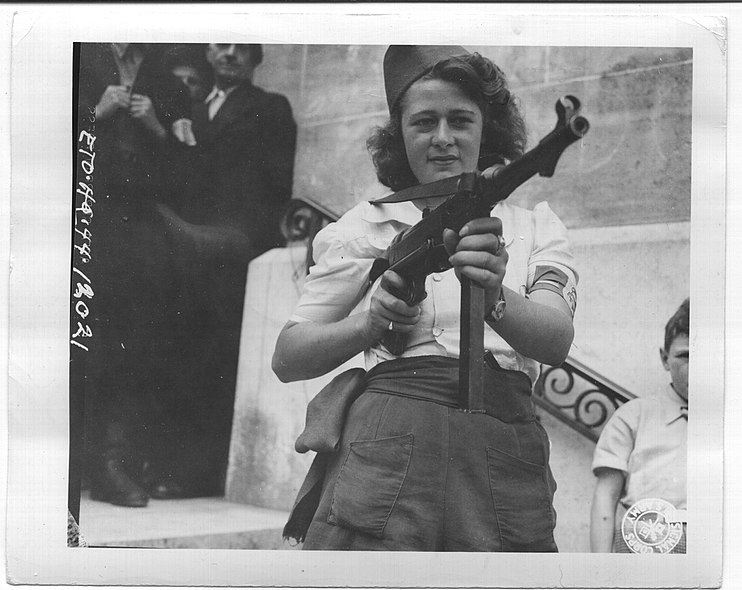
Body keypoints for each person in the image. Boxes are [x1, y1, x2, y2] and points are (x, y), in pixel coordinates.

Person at [273, 45, 579, 551]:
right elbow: (288, 357)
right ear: (400, 135)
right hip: (386, 447)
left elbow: (555, 340)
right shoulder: (362, 228)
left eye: (460, 120)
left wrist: (492, 298)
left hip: (504, 448)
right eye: (423, 122)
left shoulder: (536, 227)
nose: (443, 138)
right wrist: (368, 324)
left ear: (488, 130)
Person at [160, 43, 297, 497]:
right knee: (176, 352)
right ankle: (162, 464)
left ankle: (197, 474)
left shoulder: (270, 108)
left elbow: (273, 186)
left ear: (257, 58)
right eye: (222, 45)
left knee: (213, 357)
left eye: (242, 48)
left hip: (231, 248)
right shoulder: (190, 107)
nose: (231, 54)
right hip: (184, 250)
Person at [77, 42, 193, 507]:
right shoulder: (80, 53)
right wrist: (94, 114)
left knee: (132, 342)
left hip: (142, 227)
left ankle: (112, 462)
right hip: (81, 219)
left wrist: (157, 129)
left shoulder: (166, 77)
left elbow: (190, 173)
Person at [590, 298, 689, 554]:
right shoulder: (634, 416)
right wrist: (600, 571)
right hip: (644, 542)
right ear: (665, 358)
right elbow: (605, 497)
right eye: (684, 356)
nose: (696, 367)